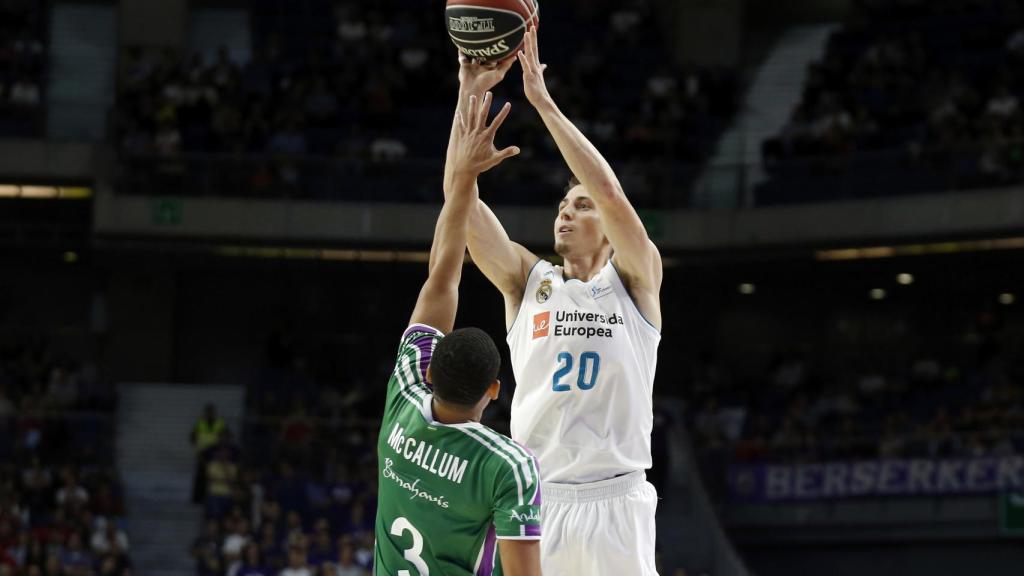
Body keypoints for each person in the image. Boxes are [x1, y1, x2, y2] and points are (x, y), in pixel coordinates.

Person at [459, 27, 663, 575]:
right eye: (561, 205)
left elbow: (612, 194)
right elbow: (462, 206)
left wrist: (541, 103)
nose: (566, 213)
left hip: (615, 501)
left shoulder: (636, 280)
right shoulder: (529, 280)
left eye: (580, 205)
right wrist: (468, 90)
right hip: (535, 501)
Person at [373, 91, 542, 576]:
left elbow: (442, 278)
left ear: (429, 368)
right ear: (493, 391)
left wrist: (464, 173)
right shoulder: (507, 466)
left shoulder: (405, 393)